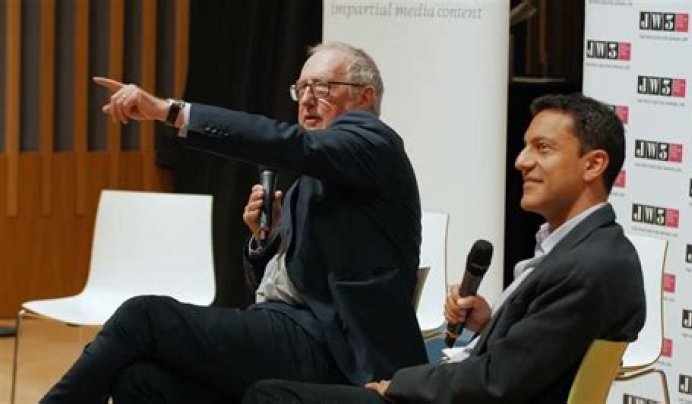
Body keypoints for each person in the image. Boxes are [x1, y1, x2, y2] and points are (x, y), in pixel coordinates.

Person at [42, 41, 427, 403]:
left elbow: (288, 143)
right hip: (285, 328)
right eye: (302, 88)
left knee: (141, 316)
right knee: (141, 381)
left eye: (323, 87)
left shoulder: (374, 143)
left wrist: (169, 111)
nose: (308, 99)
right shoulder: (322, 172)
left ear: (365, 96)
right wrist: (266, 240)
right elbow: (281, 283)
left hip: (334, 346)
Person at [241, 93, 647, 404]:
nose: (521, 161)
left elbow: (498, 380)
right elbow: (540, 356)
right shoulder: (586, 250)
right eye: (525, 146)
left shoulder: (590, 264)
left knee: (273, 396)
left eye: (543, 148)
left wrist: (398, 384)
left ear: (593, 164)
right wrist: (489, 325)